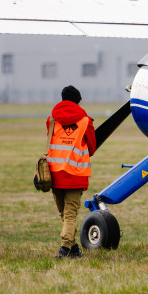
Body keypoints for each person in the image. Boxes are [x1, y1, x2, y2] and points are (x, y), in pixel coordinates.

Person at [47, 85, 96, 258]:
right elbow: (92, 148)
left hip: (54, 174)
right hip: (75, 174)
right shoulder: (85, 121)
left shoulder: (51, 119)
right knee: (70, 215)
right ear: (78, 101)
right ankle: (65, 249)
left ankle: (74, 249)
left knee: (64, 214)